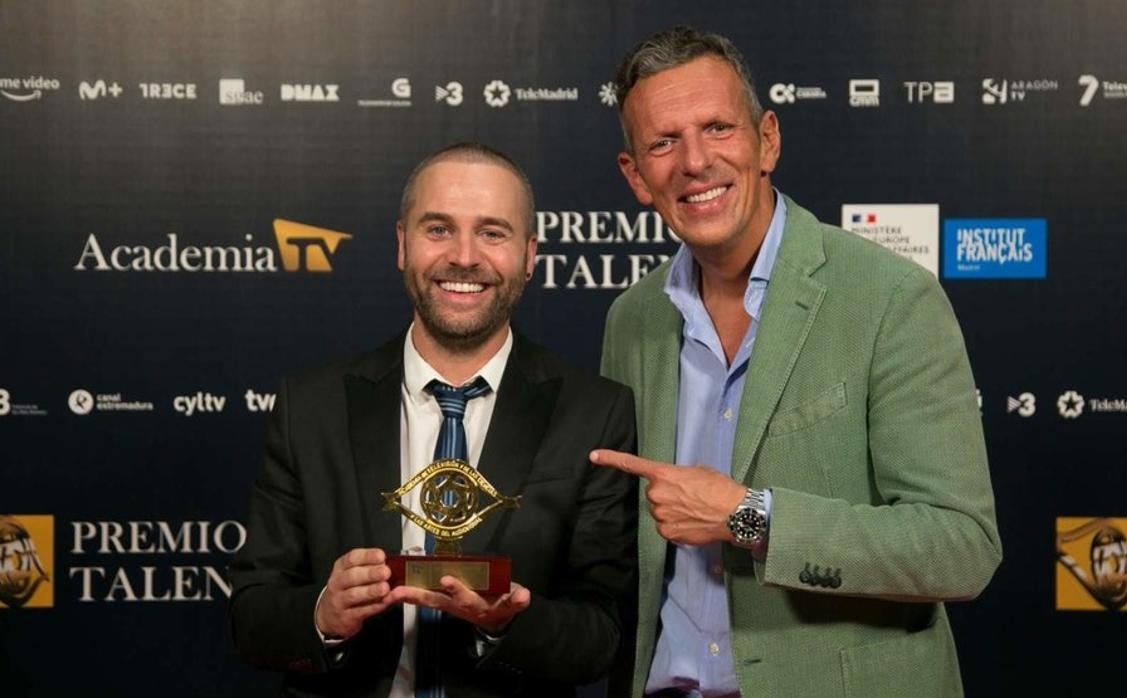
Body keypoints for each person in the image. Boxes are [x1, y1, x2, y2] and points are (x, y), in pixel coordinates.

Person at [590, 27, 1002, 697]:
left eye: (717, 128)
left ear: (767, 141)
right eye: (663, 143)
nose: (694, 161)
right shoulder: (631, 320)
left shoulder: (890, 297)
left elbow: (960, 548)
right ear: (636, 176)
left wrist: (749, 517)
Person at [229, 142, 637, 697]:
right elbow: (252, 615)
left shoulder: (595, 412)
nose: (464, 257)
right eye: (439, 229)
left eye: (492, 233)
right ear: (402, 243)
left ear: (529, 255)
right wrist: (323, 615)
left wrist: (507, 624)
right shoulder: (312, 406)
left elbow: (603, 633)